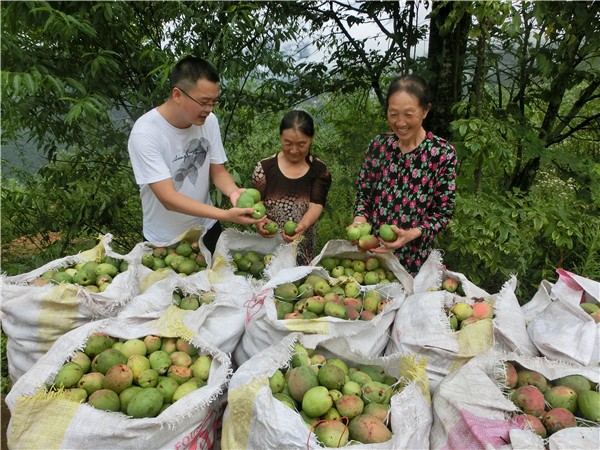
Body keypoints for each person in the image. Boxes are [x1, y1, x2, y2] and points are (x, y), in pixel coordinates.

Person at [128, 56, 263, 253]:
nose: (209, 109)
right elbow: (168, 198)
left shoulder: (209, 122)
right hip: (166, 240)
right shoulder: (146, 133)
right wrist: (226, 214)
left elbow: (217, 170)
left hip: (207, 228)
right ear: (177, 94)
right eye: (204, 102)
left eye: (214, 102)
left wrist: (234, 193)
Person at [350, 74, 457, 276]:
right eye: (393, 114)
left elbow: (443, 212)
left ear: (425, 111)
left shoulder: (442, 153)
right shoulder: (379, 146)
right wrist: (359, 222)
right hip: (373, 257)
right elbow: (364, 195)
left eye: (409, 114)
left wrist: (410, 234)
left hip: (416, 260)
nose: (400, 123)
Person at [252, 110, 332, 265]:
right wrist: (259, 221)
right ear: (280, 137)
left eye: (302, 144)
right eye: (287, 143)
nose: (294, 150)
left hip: (303, 242)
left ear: (312, 139)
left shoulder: (319, 170)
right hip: (268, 244)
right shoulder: (264, 168)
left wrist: (303, 225)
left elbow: (316, 204)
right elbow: (257, 201)